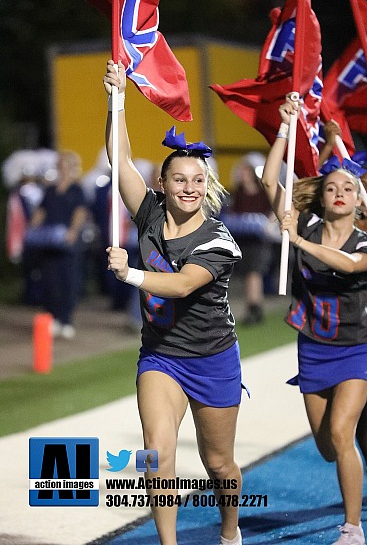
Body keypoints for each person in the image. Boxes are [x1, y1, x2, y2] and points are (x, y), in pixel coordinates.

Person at [103, 60, 244, 545]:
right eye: (179, 179)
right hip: (161, 354)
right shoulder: (149, 213)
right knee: (155, 452)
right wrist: (115, 99)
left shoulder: (219, 240)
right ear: (163, 185)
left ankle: (230, 530)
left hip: (212, 357)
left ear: (206, 186)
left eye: (198, 180)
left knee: (218, 461)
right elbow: (119, 161)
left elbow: (183, 285)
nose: (189, 187)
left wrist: (131, 273)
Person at [261, 95, 367, 545]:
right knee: (328, 447)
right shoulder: (301, 224)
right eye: (330, 187)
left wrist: (298, 244)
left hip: (358, 347)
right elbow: (270, 180)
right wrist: (286, 127)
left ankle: (352, 526)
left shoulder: (362, 240)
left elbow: (347, 267)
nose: (339, 192)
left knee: (342, 433)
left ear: (358, 199)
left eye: (347, 187)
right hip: (314, 346)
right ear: (321, 198)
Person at [29, 150, 88, 339]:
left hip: (68, 244)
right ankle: (52, 318)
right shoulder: (50, 190)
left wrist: (73, 231)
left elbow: (80, 212)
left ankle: (66, 319)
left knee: (68, 281)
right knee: (50, 281)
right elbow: (40, 211)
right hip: (49, 242)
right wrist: (33, 227)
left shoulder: (76, 190)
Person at [222, 152, 279, 324]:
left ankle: (254, 307)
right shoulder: (237, 194)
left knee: (254, 273)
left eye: (246, 171)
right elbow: (232, 215)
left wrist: (267, 225)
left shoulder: (263, 193)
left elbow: (273, 211)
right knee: (249, 274)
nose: (243, 174)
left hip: (260, 241)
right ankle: (253, 307)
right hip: (243, 240)